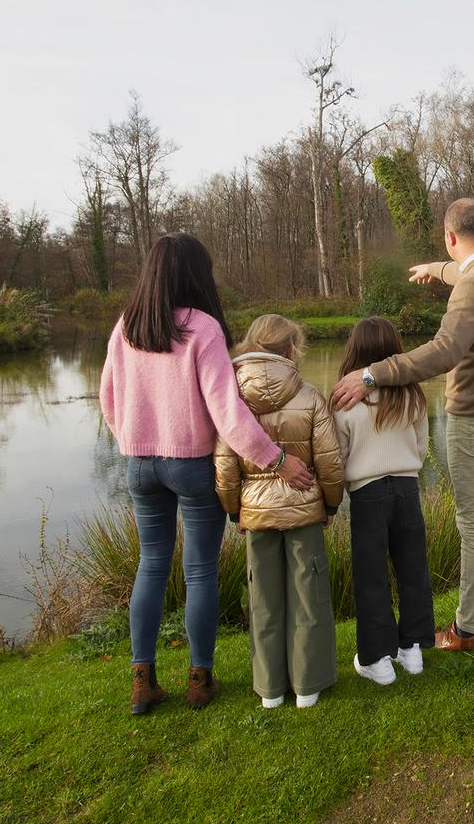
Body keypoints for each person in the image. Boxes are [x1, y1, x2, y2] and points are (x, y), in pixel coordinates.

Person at [100, 234, 315, 717]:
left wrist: (132, 443)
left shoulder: (126, 327)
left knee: (150, 565)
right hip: (192, 466)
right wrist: (278, 460)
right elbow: (228, 412)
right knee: (198, 571)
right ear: (197, 274)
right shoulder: (202, 329)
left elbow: (108, 400)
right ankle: (200, 678)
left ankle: (143, 681)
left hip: (141, 466)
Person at [332, 198, 474, 653]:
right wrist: (437, 267)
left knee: (473, 524)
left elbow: (445, 350)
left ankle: (467, 630)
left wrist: (374, 372)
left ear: (451, 236)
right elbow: (466, 273)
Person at [215, 314, 345, 709]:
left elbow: (224, 468)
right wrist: (331, 503)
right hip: (305, 513)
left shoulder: (230, 401)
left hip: (257, 516)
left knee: (264, 599)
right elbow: (331, 462)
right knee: (309, 596)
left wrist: (235, 511)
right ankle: (307, 686)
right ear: (291, 350)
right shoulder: (309, 396)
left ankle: (270, 690)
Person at [332, 316, 435, 685]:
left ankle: (377, 659)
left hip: (367, 493)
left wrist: (346, 484)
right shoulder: (412, 393)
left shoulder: (344, 398)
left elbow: (338, 455)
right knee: (413, 571)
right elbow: (422, 446)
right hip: (407, 489)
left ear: (355, 349)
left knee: (371, 576)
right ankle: (412, 649)